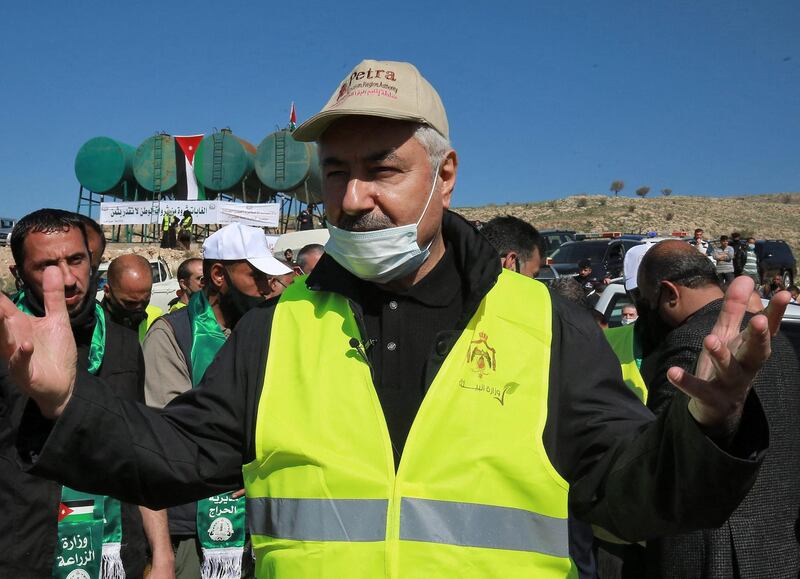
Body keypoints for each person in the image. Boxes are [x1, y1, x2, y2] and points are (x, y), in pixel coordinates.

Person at [0, 60, 782, 579]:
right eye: (336, 171)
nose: (351, 197)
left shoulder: (545, 324)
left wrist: (706, 428)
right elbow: (174, 452)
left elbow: (630, 497)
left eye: (382, 170)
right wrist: (66, 402)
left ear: (445, 175)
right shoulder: (278, 328)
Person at [0, 209, 168, 578]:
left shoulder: (125, 341)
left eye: (76, 260)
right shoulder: (6, 346)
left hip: (116, 554)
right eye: (46, 265)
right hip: (26, 556)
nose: (68, 279)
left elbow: (141, 451)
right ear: (18, 274)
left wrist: (163, 555)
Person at [637, 240, 799, 578]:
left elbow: (667, 464)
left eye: (644, 301)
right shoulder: (775, 337)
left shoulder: (691, 343)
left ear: (668, 294)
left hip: (712, 556)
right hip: (778, 546)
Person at [143, 223, 291, 579]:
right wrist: (243, 461)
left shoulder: (272, 331)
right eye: (254, 275)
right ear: (219, 275)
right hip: (194, 523)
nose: (265, 286)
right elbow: (173, 430)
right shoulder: (171, 334)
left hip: (261, 519)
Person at [101, 254, 164, 342]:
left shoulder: (156, 318)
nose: (138, 309)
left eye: (145, 301)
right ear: (107, 291)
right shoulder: (94, 326)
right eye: (130, 303)